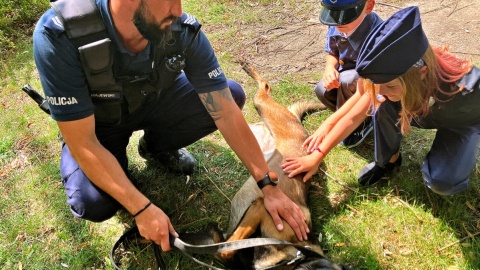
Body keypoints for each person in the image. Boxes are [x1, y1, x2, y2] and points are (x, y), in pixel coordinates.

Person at [33, 0, 309, 252]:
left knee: (231, 95)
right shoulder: (60, 35)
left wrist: (267, 185)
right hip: (99, 126)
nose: (178, 10)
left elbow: (225, 111)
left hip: (156, 102)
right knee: (91, 202)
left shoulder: (180, 28)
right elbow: (83, 142)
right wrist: (140, 208)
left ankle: (155, 146)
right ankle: (116, 168)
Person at [282, 6, 480, 196]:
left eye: (390, 86)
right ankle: (388, 161)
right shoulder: (391, 81)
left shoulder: (469, 89)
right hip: (417, 106)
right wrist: (318, 152)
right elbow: (355, 114)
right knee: (382, 104)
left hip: (460, 122)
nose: (381, 93)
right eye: (379, 86)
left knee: (442, 182)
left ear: (422, 73)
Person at [315, 0, 382, 147]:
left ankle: (358, 125)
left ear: (369, 6)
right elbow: (333, 51)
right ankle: (347, 117)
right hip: (347, 78)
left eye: (347, 14)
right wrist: (329, 68)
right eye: (334, 13)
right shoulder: (338, 23)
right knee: (321, 89)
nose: (339, 22)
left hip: (370, 87)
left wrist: (330, 124)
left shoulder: (376, 35)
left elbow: (369, 86)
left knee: (347, 79)